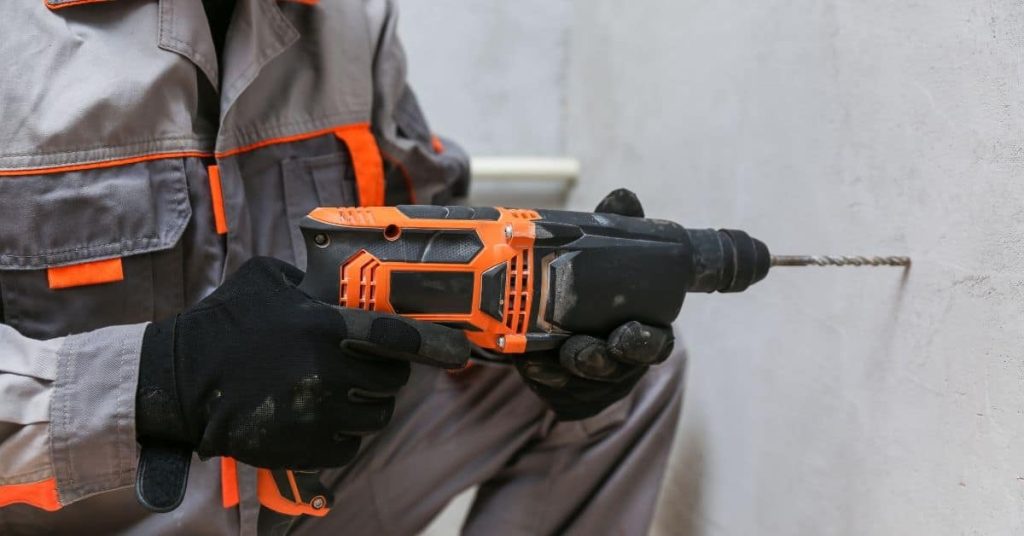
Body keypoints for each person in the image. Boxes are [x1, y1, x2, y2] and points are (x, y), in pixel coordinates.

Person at [0, 1, 684, 534]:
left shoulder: (353, 19)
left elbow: (423, 218)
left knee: (622, 370)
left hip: (301, 501)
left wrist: (532, 318)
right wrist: (158, 382)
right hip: (83, 519)